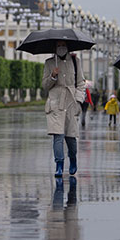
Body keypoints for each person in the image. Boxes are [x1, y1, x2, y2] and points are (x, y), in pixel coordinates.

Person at [41, 41, 85, 178]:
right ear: (55, 47)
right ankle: (59, 164)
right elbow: (45, 85)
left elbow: (81, 83)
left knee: (71, 137)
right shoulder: (49, 63)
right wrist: (53, 76)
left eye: (63, 45)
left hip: (71, 102)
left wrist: (78, 101)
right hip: (55, 103)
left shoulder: (75, 61)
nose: (61, 48)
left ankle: (73, 159)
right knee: (57, 135)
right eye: (58, 45)